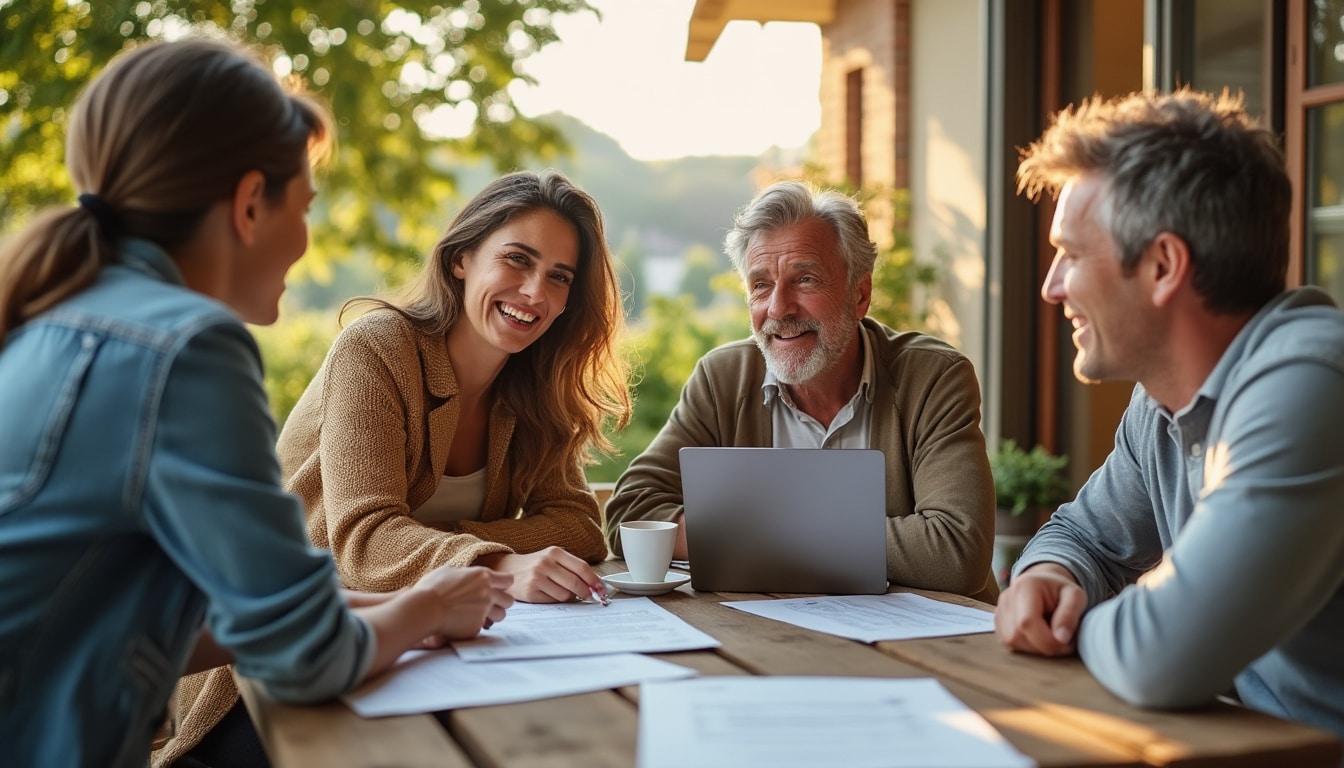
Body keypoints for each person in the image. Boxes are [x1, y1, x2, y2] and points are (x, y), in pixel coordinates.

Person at [0, 38, 513, 768]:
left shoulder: (57, 319)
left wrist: (402, 609)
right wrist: (425, 609)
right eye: (303, 207)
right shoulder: (185, 348)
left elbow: (181, 618)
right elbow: (303, 656)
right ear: (248, 204)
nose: (305, 240)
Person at [163, 169, 633, 765]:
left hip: (428, 652)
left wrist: (472, 557)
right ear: (462, 259)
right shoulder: (378, 348)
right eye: (517, 260)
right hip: (277, 669)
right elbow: (361, 541)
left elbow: (575, 524)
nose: (535, 292)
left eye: (558, 277)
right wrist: (495, 562)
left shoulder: (536, 387)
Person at [994, 89, 1344, 739]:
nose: (1051, 286)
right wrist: (1051, 576)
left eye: (1071, 254)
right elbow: (1086, 538)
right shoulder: (1163, 402)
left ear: (1162, 266)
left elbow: (1162, 654)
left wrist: (1075, 628)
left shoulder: (1311, 384)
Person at [605, 180, 998, 603]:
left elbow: (956, 551)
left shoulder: (933, 377)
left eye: (805, 279)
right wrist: (828, 538)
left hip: (935, 645)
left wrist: (755, 533)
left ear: (859, 294)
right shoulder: (723, 377)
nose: (778, 308)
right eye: (760, 285)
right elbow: (632, 514)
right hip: (770, 634)